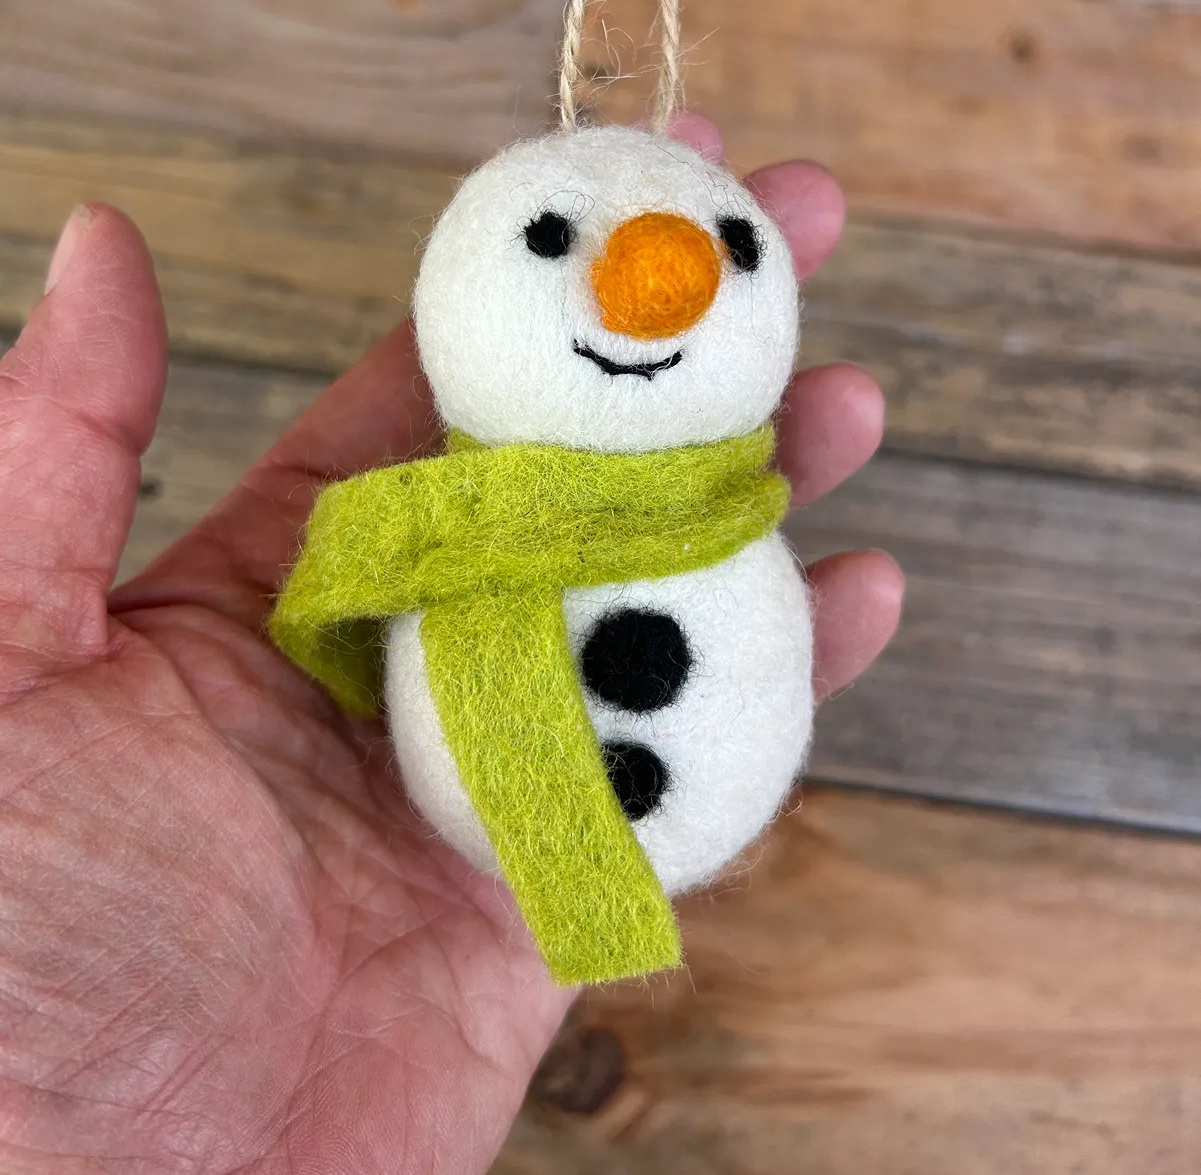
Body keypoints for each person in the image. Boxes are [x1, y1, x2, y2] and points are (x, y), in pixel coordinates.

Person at [0, 114, 903, 1172]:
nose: (655, 287)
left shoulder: (641, 528)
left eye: (732, 251)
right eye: (553, 239)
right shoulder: (443, 528)